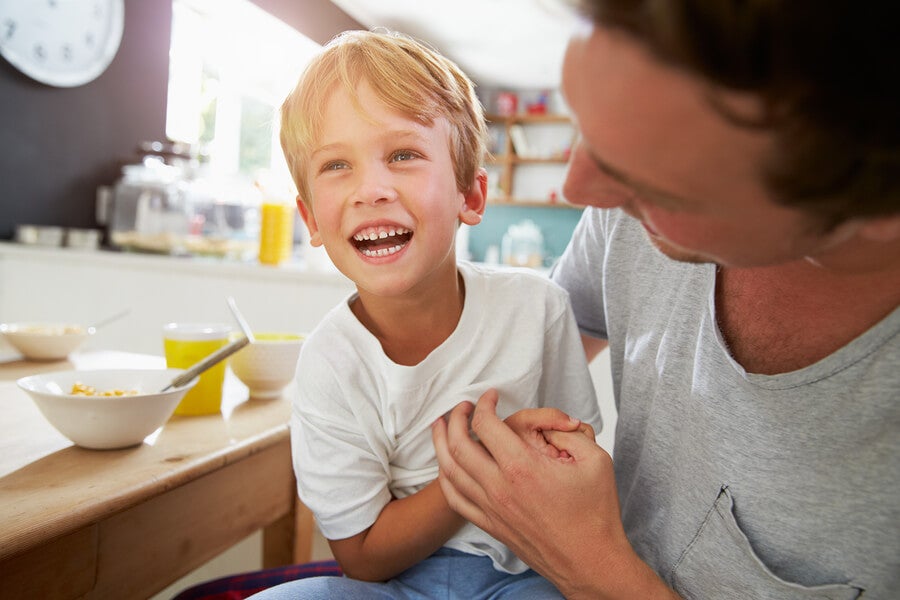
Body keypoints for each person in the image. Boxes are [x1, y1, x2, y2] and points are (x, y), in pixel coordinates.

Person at [433, 1, 900, 598]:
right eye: (588, 130)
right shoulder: (625, 219)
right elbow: (525, 350)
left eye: (650, 184)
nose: (579, 188)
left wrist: (588, 564)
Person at [252, 30, 603, 599]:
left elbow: (572, 456)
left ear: (471, 195)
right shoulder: (329, 361)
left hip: (527, 577)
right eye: (336, 165)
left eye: (403, 155)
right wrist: (481, 468)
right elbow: (363, 557)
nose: (372, 189)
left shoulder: (538, 308)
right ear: (311, 219)